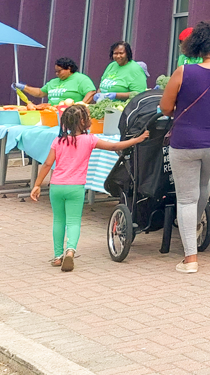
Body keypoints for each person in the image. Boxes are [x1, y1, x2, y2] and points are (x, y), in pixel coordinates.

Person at [160, 21, 210, 273]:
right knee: (204, 185)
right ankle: (193, 230)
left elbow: (165, 107)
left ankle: (190, 258)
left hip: (185, 141)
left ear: (197, 49)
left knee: (186, 198)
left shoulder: (183, 72)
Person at [29, 103, 146, 270]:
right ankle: (70, 251)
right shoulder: (89, 140)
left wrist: (37, 184)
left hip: (56, 186)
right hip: (76, 187)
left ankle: (57, 256)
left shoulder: (58, 141)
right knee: (74, 221)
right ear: (83, 122)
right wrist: (137, 140)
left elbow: (48, 163)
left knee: (59, 221)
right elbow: (114, 146)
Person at [14, 58, 96, 106]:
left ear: (69, 68)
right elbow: (40, 93)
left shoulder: (81, 79)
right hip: (51, 113)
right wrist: (23, 87)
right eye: (55, 71)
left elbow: (91, 92)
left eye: (59, 71)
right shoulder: (53, 82)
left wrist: (81, 105)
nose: (57, 74)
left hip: (71, 115)